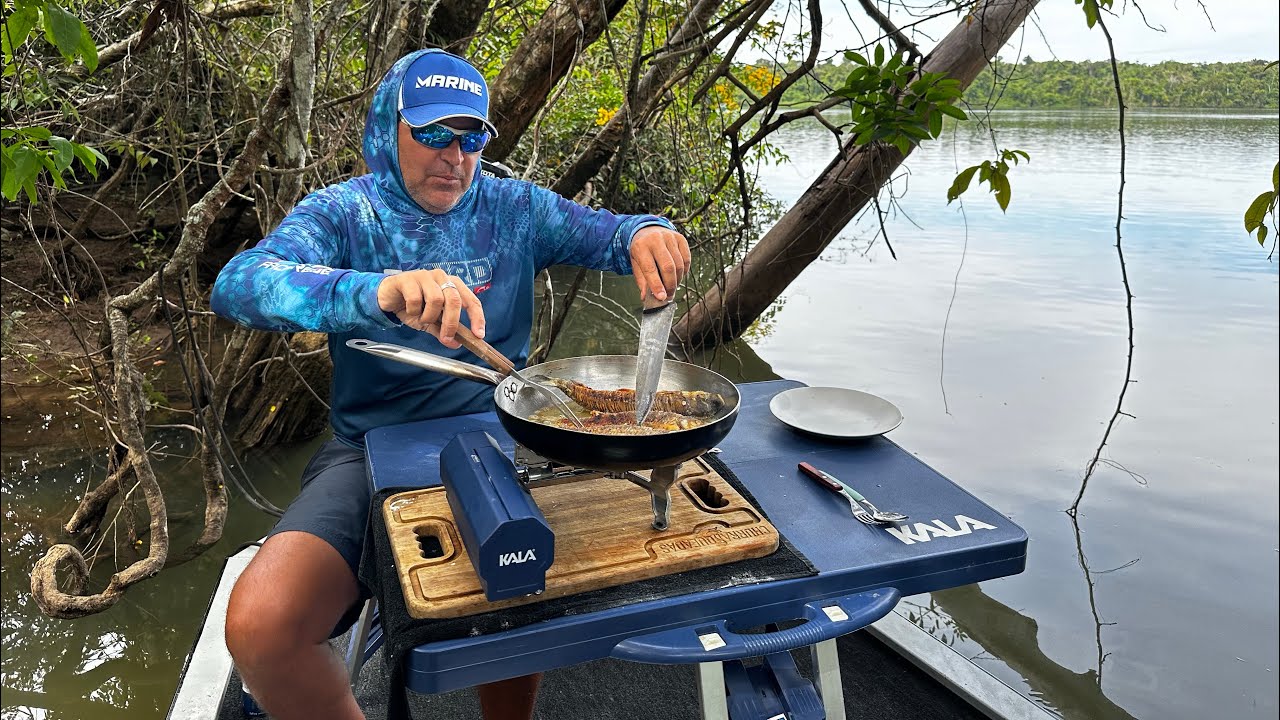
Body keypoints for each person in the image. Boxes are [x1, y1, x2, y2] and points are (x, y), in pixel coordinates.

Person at [211, 48, 690, 720]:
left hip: (504, 433)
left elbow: (609, 233)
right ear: (388, 130)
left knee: (524, 584)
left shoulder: (513, 207)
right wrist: (373, 290)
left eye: (470, 136)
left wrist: (649, 233)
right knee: (262, 625)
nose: (453, 154)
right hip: (370, 449)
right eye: (432, 132)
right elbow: (238, 284)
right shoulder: (346, 213)